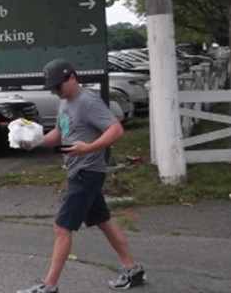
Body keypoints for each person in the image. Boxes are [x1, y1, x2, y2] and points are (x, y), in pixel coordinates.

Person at [17, 59, 146, 293]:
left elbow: (116, 130)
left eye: (59, 86)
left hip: (87, 172)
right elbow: (59, 132)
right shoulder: (65, 101)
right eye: (52, 88)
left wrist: (88, 148)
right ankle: (133, 269)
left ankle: (49, 286)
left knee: (61, 227)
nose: (56, 91)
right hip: (79, 171)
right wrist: (35, 142)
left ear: (73, 77)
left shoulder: (88, 101)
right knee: (103, 220)